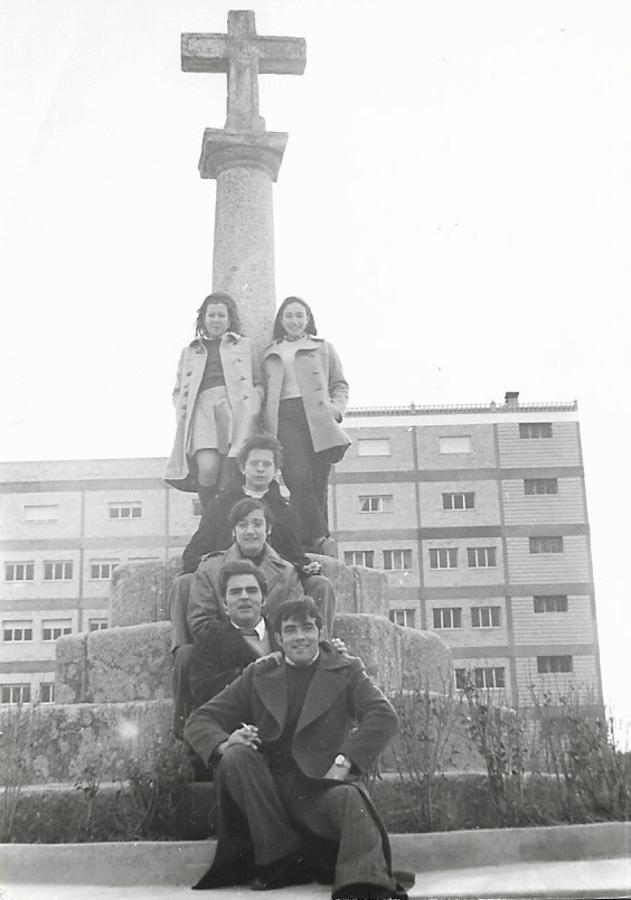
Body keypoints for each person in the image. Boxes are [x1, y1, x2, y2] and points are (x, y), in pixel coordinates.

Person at [184, 597, 410, 899]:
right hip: (267, 787)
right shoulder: (259, 672)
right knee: (235, 756)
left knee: (352, 799)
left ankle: (363, 883)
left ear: (320, 632)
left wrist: (344, 762)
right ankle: (279, 861)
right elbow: (200, 720)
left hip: (321, 785)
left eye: (307, 628)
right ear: (279, 638)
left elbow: (383, 716)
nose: (300, 637)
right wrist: (227, 742)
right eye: (290, 630)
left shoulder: (345, 669)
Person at [169, 498, 335, 735]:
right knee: (186, 656)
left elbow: (294, 616)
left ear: (268, 529)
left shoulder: (286, 571)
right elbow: (200, 621)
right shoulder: (211, 567)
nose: (250, 531)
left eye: (257, 524)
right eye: (242, 524)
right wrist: (241, 642)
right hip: (224, 653)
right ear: (233, 531)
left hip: (271, 648)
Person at [262, 296, 350, 556]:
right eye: (288, 316)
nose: (294, 321)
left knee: (317, 482)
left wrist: (336, 409)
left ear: (308, 319)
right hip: (285, 417)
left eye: (299, 315)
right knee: (297, 476)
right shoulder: (270, 352)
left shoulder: (323, 348)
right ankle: (319, 537)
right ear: (281, 320)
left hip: (318, 416)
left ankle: (313, 543)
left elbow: (339, 384)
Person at [164, 292, 264, 510]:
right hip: (202, 411)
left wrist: (253, 404)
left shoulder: (245, 345)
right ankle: (209, 516)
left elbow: (258, 381)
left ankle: (220, 522)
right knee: (208, 467)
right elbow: (178, 389)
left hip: (235, 409)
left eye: (221, 315)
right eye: (211, 315)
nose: (216, 320)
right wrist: (181, 409)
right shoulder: (189, 351)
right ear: (203, 319)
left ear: (229, 319)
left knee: (230, 471)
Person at [182, 433, 322, 580]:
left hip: (272, 582)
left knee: (319, 583)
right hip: (227, 580)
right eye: (254, 463)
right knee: (183, 581)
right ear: (243, 467)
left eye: (267, 464)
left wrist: (306, 567)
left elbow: (294, 556)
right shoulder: (220, 505)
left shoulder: (285, 511)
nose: (260, 469)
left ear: (275, 470)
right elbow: (196, 551)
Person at [189, 559, 278, 708]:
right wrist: (252, 673)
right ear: (224, 603)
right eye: (235, 592)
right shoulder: (210, 640)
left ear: (264, 600)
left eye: (251, 590)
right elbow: (203, 690)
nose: (244, 597)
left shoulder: (282, 635)